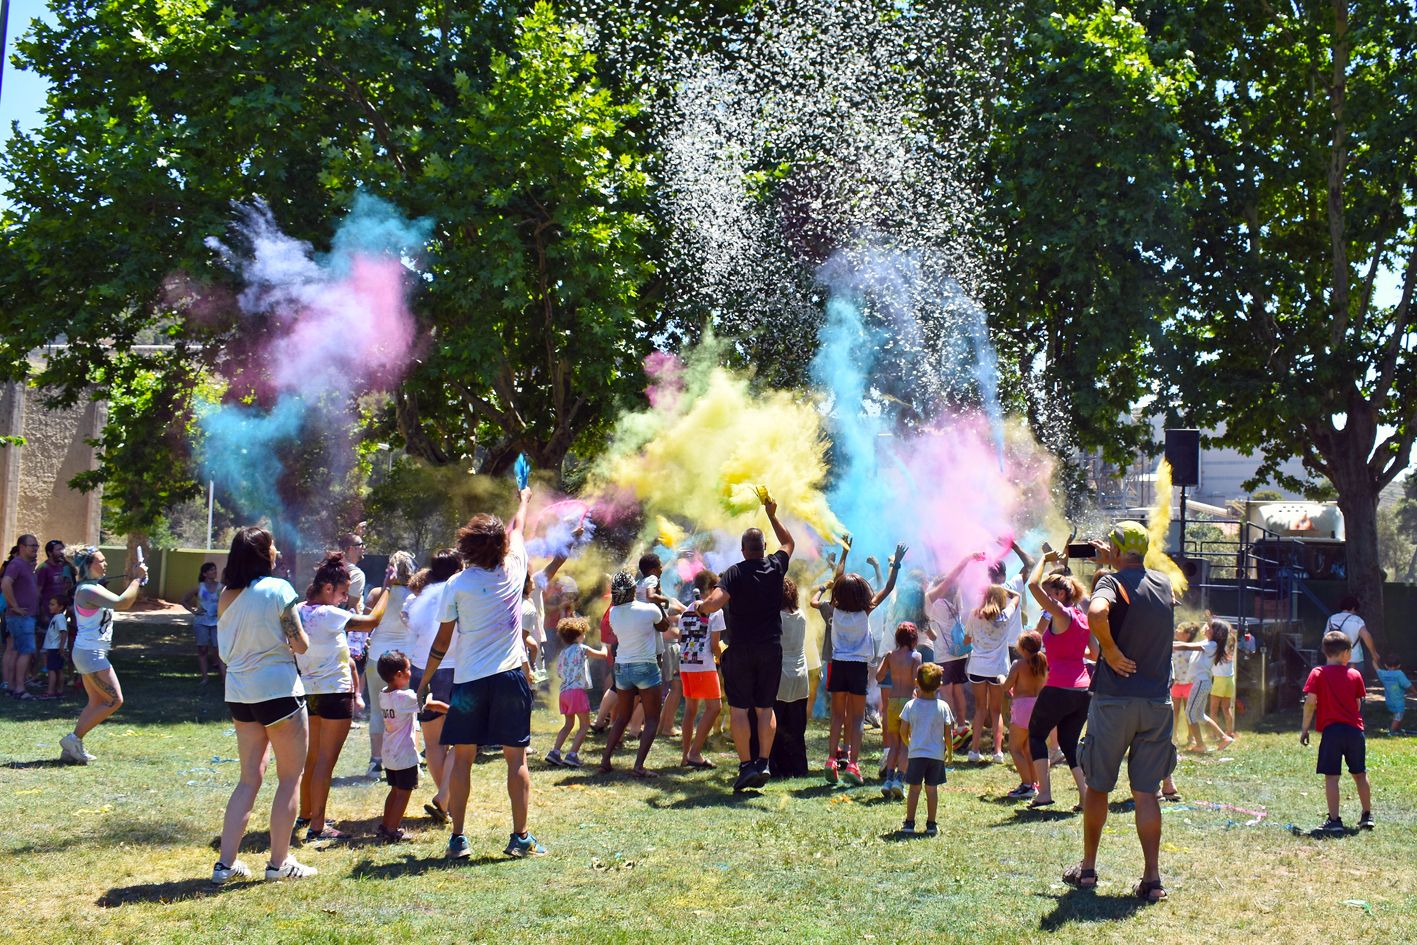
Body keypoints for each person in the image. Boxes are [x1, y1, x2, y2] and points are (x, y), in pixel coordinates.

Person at [417, 485, 546, 860]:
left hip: (470, 680)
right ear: (502, 546)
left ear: (467, 547)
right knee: (516, 759)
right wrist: (523, 499)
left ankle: (458, 838)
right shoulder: (515, 565)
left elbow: (441, 643)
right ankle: (519, 837)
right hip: (509, 678)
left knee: (464, 757)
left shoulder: (457, 585)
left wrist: (425, 679)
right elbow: (520, 527)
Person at [1065, 522, 1178, 903]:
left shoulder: (1109, 584)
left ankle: (1088, 869)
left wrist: (1110, 652)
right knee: (1146, 793)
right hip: (1157, 703)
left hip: (1115, 701)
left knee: (1098, 786)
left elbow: (1098, 612)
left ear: (1114, 550)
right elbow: (1141, 590)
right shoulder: (1164, 584)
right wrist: (1113, 559)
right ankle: (1152, 879)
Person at [212, 526, 317, 883]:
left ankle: (224, 865)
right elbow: (300, 643)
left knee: (247, 780)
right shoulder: (279, 589)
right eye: (271, 546)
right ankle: (278, 863)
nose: (276, 551)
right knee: (289, 779)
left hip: (241, 695)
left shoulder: (225, 595)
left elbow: (225, 649)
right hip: (279, 693)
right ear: (262, 554)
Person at [693, 490, 795, 793]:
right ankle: (764, 762)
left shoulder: (734, 573)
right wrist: (772, 515)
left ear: (742, 549)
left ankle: (746, 765)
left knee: (739, 710)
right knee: (766, 709)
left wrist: (701, 606)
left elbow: (714, 604)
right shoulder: (775, 566)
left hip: (740, 650)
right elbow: (789, 543)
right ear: (763, 548)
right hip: (771, 647)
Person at [295, 552, 390, 843]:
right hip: (335, 694)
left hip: (308, 692)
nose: (343, 599)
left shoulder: (300, 609)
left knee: (312, 759)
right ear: (327, 588)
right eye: (342, 593)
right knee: (326, 762)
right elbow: (372, 620)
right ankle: (318, 828)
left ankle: (308, 814)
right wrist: (388, 587)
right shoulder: (330, 614)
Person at [821, 538, 904, 785]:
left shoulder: (835, 608)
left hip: (838, 664)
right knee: (856, 718)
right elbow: (888, 589)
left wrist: (844, 553)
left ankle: (830, 760)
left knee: (837, 715)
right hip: (858, 667)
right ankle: (853, 765)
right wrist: (896, 565)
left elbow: (838, 579)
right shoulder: (866, 609)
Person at [56, 546, 146, 763]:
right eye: (101, 561)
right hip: (90, 653)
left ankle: (71, 749)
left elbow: (125, 599)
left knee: (97, 701)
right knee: (114, 700)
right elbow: (122, 603)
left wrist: (137, 580)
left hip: (88, 652)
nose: (105, 564)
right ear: (88, 565)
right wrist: (136, 579)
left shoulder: (93, 588)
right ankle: (73, 738)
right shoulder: (87, 590)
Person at [1024, 554, 1093, 809]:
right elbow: (1093, 654)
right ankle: (1085, 797)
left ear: (1061, 595)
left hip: (1059, 687)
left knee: (1036, 734)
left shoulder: (1061, 613)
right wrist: (1070, 653)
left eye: (1050, 593)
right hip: (1083, 689)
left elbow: (1032, 585)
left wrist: (1043, 558)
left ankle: (1044, 794)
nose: (1046, 597)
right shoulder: (1083, 617)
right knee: (1068, 742)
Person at [404, 548, 463, 823]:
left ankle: (445, 801)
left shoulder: (419, 597)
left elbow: (411, 626)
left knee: (433, 743)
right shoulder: (460, 592)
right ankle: (444, 796)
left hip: (421, 670)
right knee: (461, 741)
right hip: (455, 671)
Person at [599, 570, 672, 777]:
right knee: (651, 719)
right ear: (633, 589)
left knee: (622, 716)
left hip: (622, 667)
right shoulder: (649, 610)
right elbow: (664, 626)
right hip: (646, 666)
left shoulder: (613, 612)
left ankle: (605, 761)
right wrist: (658, 601)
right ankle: (638, 766)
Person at [1301, 630, 1374, 833]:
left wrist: (1304, 729)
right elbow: (1357, 704)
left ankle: (1334, 821)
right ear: (1345, 653)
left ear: (1326, 651)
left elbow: (1310, 703)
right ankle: (1367, 815)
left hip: (1332, 732)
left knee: (1332, 777)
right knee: (1360, 773)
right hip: (1354, 731)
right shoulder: (1355, 674)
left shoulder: (1318, 673)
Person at [375, 649, 447, 842]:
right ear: (399, 674)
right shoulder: (404, 697)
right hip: (404, 754)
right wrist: (452, 710)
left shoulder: (384, 694)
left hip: (390, 753)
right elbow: (430, 704)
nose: (411, 673)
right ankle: (392, 830)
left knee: (395, 790)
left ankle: (385, 826)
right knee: (404, 792)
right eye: (408, 669)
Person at [363, 551, 418, 780]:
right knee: (407, 711)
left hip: (377, 657)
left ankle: (376, 762)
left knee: (377, 711)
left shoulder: (377, 593)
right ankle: (410, 759)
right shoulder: (415, 596)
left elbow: (366, 623)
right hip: (405, 659)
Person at [924, 551, 986, 730]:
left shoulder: (935, 604)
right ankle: (961, 725)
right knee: (958, 690)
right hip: (960, 651)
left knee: (946, 691)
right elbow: (953, 583)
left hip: (944, 654)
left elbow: (933, 590)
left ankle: (949, 728)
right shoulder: (956, 598)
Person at [964, 582, 1020, 764]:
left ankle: (974, 751)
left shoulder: (974, 614)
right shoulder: (1005, 616)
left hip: (977, 667)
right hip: (997, 669)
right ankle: (997, 752)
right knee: (996, 711)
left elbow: (967, 639)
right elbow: (1017, 597)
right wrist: (1006, 590)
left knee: (980, 709)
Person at [897, 662, 953, 836]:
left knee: (914, 789)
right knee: (932, 789)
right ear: (940, 685)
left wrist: (909, 744)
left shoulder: (910, 706)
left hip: (916, 755)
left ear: (916, 682)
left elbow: (903, 731)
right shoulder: (943, 707)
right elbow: (948, 734)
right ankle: (931, 824)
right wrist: (949, 752)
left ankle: (909, 823)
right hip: (936, 756)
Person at [546, 616, 608, 767]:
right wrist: (605, 645)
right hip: (577, 692)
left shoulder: (563, 654)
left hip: (564, 693)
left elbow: (560, 673)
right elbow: (603, 655)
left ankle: (555, 752)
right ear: (579, 635)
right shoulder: (582, 649)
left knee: (568, 724)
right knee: (585, 725)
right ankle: (572, 755)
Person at [678, 573, 724, 769]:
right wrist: (722, 658)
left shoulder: (686, 610)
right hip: (703, 664)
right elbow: (714, 645)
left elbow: (682, 638)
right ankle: (695, 753)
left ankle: (685, 756)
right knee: (715, 708)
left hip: (686, 664)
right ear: (713, 588)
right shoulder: (716, 612)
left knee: (690, 709)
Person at [770, 577, 811, 778]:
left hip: (781, 675)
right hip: (800, 674)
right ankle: (798, 766)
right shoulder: (801, 615)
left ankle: (777, 767)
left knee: (777, 724)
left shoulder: (776, 617)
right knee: (797, 726)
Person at [876, 621, 922, 799]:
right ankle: (899, 781)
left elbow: (879, 676)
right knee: (905, 744)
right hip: (908, 702)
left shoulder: (889, 655)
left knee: (893, 743)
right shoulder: (915, 657)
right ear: (914, 639)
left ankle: (888, 780)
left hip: (892, 701)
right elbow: (916, 681)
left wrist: (887, 664)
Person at [1174, 620, 1233, 752]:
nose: (1206, 627)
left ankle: (1200, 745)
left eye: (1210, 627)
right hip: (1201, 683)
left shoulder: (1212, 645)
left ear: (1215, 632)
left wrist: (1167, 644)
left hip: (1201, 683)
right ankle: (1224, 737)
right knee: (1199, 715)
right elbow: (1185, 644)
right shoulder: (1207, 643)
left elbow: (1187, 646)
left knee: (1190, 713)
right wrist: (1170, 643)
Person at [1002, 630, 1047, 800]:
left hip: (1022, 708)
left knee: (1015, 748)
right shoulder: (1043, 662)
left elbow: (1006, 687)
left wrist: (1000, 678)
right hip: (1038, 707)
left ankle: (1027, 784)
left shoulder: (1018, 665)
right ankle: (1033, 782)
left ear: (1022, 648)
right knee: (1028, 749)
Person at [2, 534, 41, 700]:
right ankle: (19, 688)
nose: (35, 549)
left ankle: (11, 686)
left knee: (15, 651)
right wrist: (15, 606)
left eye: (36, 546)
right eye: (32, 545)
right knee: (25, 652)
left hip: (23, 616)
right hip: (21, 617)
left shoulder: (26, 565)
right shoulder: (17, 564)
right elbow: (5, 583)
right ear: (22, 547)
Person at [182, 562, 224, 685]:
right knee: (202, 649)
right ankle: (205, 677)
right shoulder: (199, 587)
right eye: (211, 570)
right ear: (204, 573)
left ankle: (224, 677)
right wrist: (193, 611)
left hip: (217, 622)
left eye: (215, 570)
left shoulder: (221, 587)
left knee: (219, 649)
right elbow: (183, 600)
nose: (214, 572)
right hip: (201, 622)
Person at [1324, 597, 1380, 686]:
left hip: (1334, 658)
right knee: (1355, 687)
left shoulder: (1332, 619)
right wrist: (1374, 653)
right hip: (1354, 659)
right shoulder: (1357, 620)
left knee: (1335, 686)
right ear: (1353, 608)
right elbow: (1366, 635)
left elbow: (1326, 638)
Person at [41, 594, 69, 700]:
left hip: (55, 648)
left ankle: (51, 691)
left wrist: (61, 647)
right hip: (54, 647)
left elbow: (64, 632)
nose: (49, 606)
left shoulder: (60, 618)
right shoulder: (56, 618)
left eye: (53, 604)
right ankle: (59, 690)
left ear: (61, 606)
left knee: (52, 669)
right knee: (58, 669)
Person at [1375, 656, 1411, 734]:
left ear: (1385, 665)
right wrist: (1415, 692)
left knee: (1397, 715)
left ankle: (1398, 729)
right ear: (1399, 665)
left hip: (1389, 701)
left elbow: (1376, 668)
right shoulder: (1399, 674)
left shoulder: (1383, 674)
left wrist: (1374, 658)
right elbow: (1407, 684)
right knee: (1398, 716)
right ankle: (1391, 732)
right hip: (1398, 701)